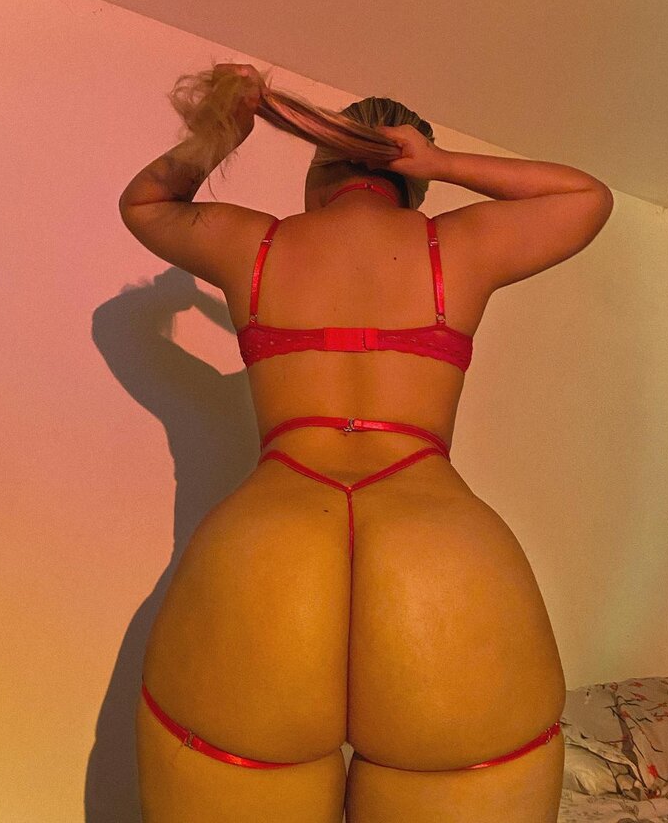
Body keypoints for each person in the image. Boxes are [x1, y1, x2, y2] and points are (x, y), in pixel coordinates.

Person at [118, 63, 614, 823]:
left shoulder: (256, 244)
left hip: (275, 532)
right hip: (436, 540)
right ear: (411, 182)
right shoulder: (456, 243)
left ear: (320, 168)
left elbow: (146, 204)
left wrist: (226, 131)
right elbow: (586, 198)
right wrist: (443, 162)